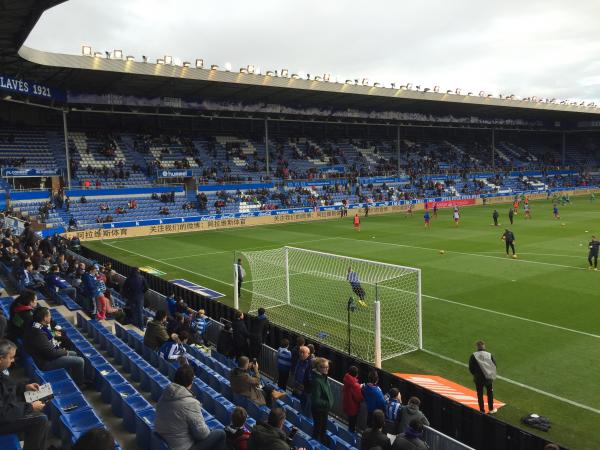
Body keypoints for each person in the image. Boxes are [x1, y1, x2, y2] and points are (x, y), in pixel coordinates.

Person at [155, 365, 227, 450]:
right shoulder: (191, 403)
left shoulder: (165, 394)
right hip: (181, 447)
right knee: (221, 433)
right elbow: (202, 435)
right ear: (191, 381)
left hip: (167, 441)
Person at [0, 339, 51, 450]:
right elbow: (3, 414)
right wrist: (30, 407)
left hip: (6, 408)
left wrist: (24, 387)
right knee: (40, 420)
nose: (13, 361)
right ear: (0, 359)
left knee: (34, 398)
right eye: (11, 357)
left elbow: (7, 386)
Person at [23, 307, 85, 385]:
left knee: (74, 353)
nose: (51, 317)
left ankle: (73, 377)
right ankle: (79, 384)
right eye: (49, 315)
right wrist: (64, 351)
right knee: (80, 361)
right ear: (45, 318)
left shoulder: (37, 325)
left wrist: (62, 348)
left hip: (46, 356)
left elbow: (56, 334)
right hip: (46, 362)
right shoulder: (38, 333)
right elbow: (51, 353)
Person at [469, 340, 497, 414]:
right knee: (490, 393)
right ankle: (491, 409)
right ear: (484, 346)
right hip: (488, 378)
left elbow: (471, 367)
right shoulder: (489, 355)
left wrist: (475, 374)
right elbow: (494, 365)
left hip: (478, 379)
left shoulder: (473, 355)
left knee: (480, 394)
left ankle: (482, 410)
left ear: (477, 347)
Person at [310, 357, 334, 445]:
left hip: (323, 410)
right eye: (324, 367)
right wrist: (327, 403)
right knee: (319, 429)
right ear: (318, 368)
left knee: (321, 428)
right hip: (319, 410)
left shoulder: (323, 377)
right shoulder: (317, 381)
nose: (327, 369)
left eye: (327, 367)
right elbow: (316, 400)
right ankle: (315, 445)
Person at [292, 346, 313, 416]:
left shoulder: (310, 364)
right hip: (296, 387)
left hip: (303, 390)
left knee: (302, 407)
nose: (301, 354)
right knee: (294, 404)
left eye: (303, 352)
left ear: (308, 354)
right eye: (300, 352)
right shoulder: (299, 360)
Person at [342, 365, 363, 433]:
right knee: (352, 424)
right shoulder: (355, 385)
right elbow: (359, 398)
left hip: (347, 404)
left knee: (350, 422)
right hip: (353, 408)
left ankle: (350, 433)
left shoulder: (346, 379)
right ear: (356, 374)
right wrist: (360, 388)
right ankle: (351, 435)